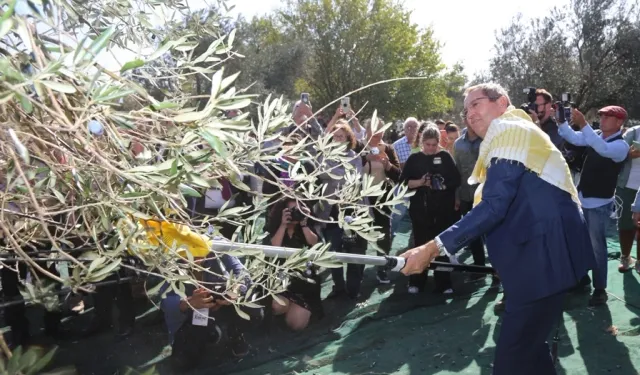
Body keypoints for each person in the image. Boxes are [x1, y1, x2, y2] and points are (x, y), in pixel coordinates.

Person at [400, 83, 595, 375]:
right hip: (539, 262)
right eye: (465, 110)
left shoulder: (508, 130)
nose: (469, 114)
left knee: (512, 360)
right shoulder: (509, 135)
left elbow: (494, 206)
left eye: (475, 104)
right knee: (531, 350)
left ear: (502, 102)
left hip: (542, 262)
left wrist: (433, 248)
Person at [401, 125, 461, 294]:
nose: (431, 148)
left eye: (434, 145)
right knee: (420, 244)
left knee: (441, 246)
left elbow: (455, 180)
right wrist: (421, 182)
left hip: (442, 210)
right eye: (428, 145)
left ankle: (444, 282)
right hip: (421, 210)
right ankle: (417, 280)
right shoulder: (414, 159)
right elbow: (404, 183)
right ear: (422, 142)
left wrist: (440, 183)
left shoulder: (445, 157)